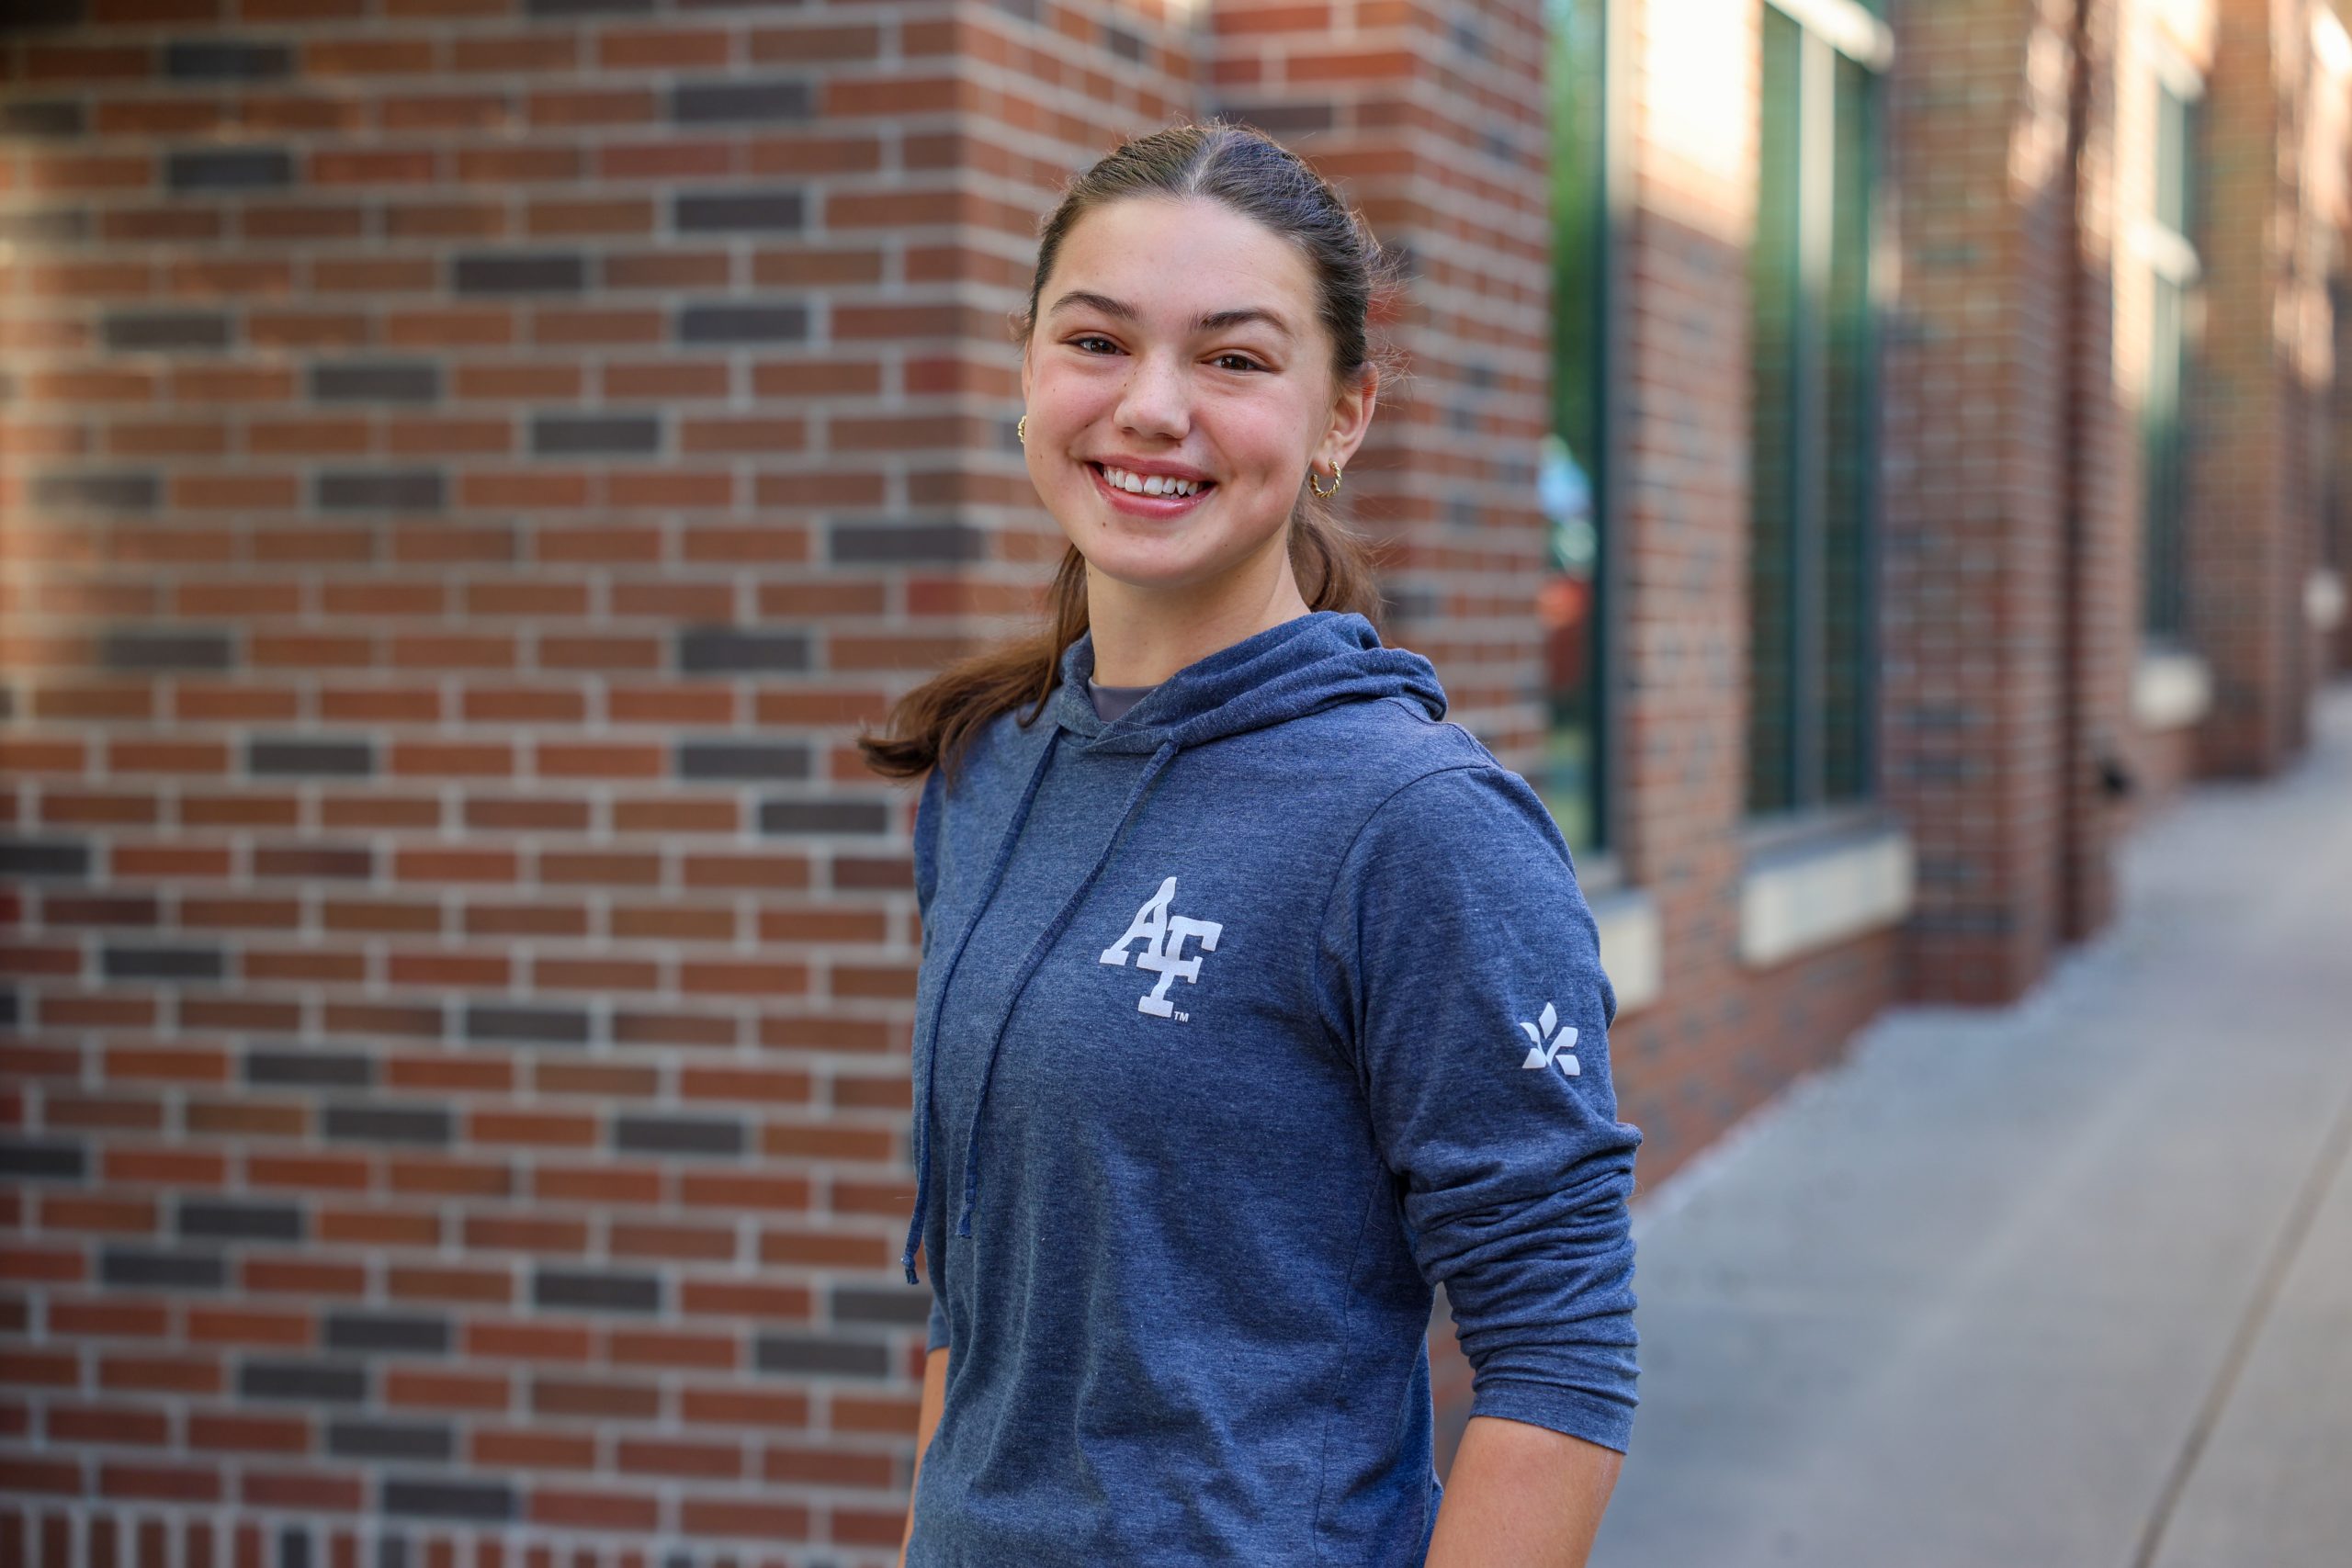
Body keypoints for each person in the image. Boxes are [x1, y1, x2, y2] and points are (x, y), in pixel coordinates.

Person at [858, 119, 1642, 1568]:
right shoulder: (990, 770)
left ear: (1342, 415)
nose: (1152, 409)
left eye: (1232, 359)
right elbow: (982, 1307)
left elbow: (1560, 1354)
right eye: (1097, 342)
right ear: (1026, 374)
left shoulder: (1417, 827)